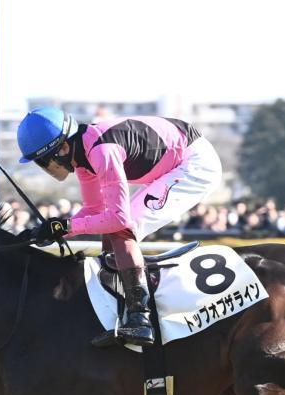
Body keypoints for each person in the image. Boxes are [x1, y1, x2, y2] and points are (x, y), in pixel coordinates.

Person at [16, 107, 222, 347]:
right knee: (112, 235)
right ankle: (120, 312)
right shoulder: (82, 156)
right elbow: (95, 211)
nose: (45, 169)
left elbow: (118, 220)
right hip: (176, 160)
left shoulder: (102, 151)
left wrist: (65, 226)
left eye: (43, 161)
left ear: (62, 148)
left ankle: (141, 320)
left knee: (124, 229)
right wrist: (49, 230)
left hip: (195, 163)